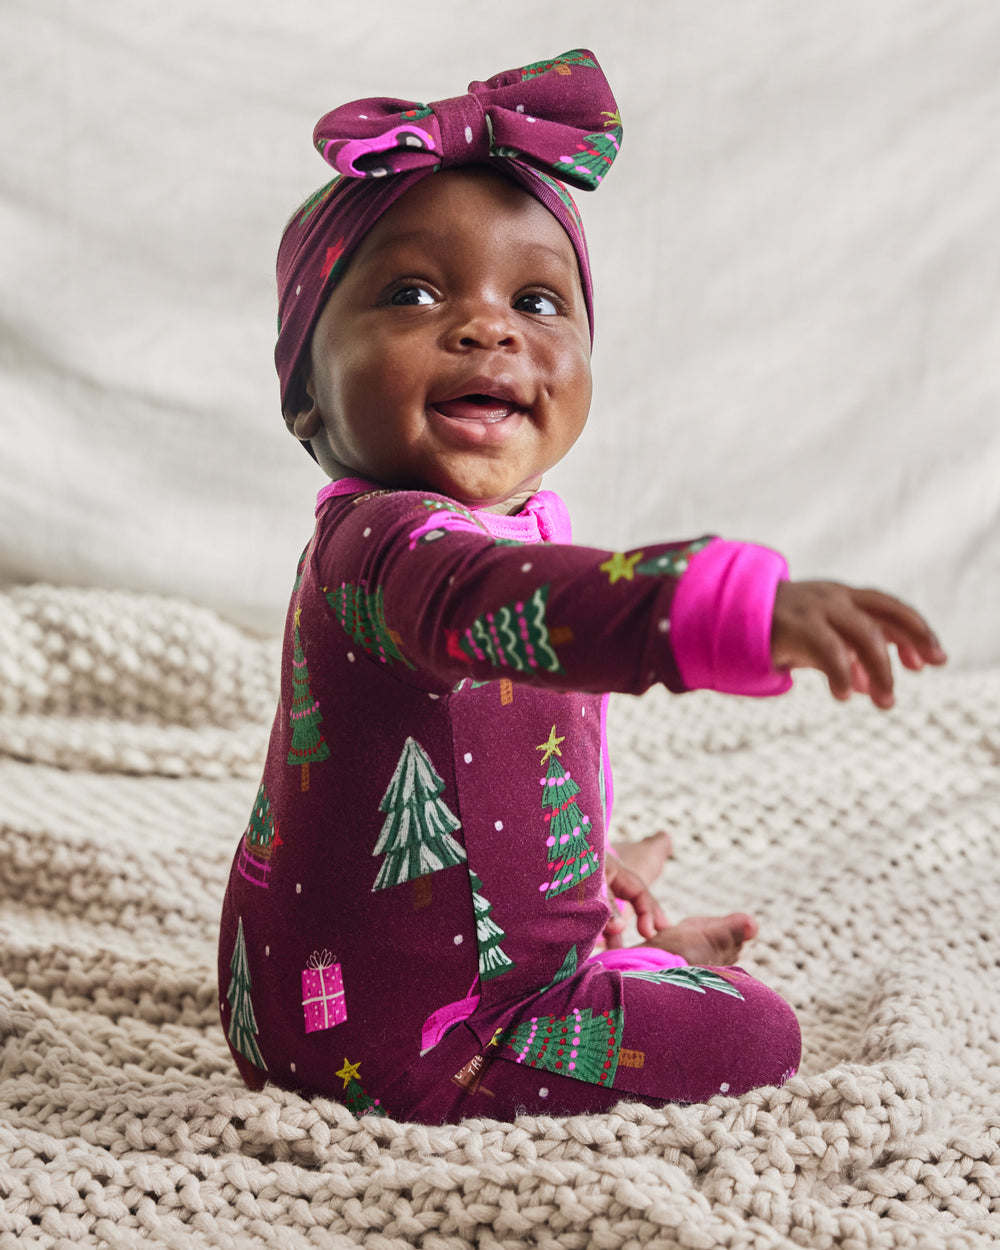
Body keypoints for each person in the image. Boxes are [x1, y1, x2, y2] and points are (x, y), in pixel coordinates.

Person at [218, 50, 946, 1124]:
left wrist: (581, 868)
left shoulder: (503, 524)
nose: (486, 325)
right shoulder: (392, 544)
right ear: (305, 399)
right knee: (759, 1028)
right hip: (407, 1042)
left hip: (338, 977)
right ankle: (613, 978)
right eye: (412, 293)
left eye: (537, 299)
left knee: (603, 917)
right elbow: (515, 600)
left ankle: (598, 938)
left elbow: (486, 758)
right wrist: (726, 603)